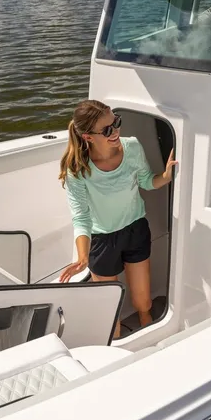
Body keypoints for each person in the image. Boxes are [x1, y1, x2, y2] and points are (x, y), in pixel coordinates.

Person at [58, 100, 177, 339]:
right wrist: (83, 257)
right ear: (88, 137)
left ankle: (153, 341)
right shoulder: (77, 168)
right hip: (102, 241)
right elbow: (81, 217)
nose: (116, 132)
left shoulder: (132, 147)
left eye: (116, 123)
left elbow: (144, 181)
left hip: (135, 231)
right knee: (111, 313)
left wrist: (165, 177)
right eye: (107, 130)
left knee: (143, 303)